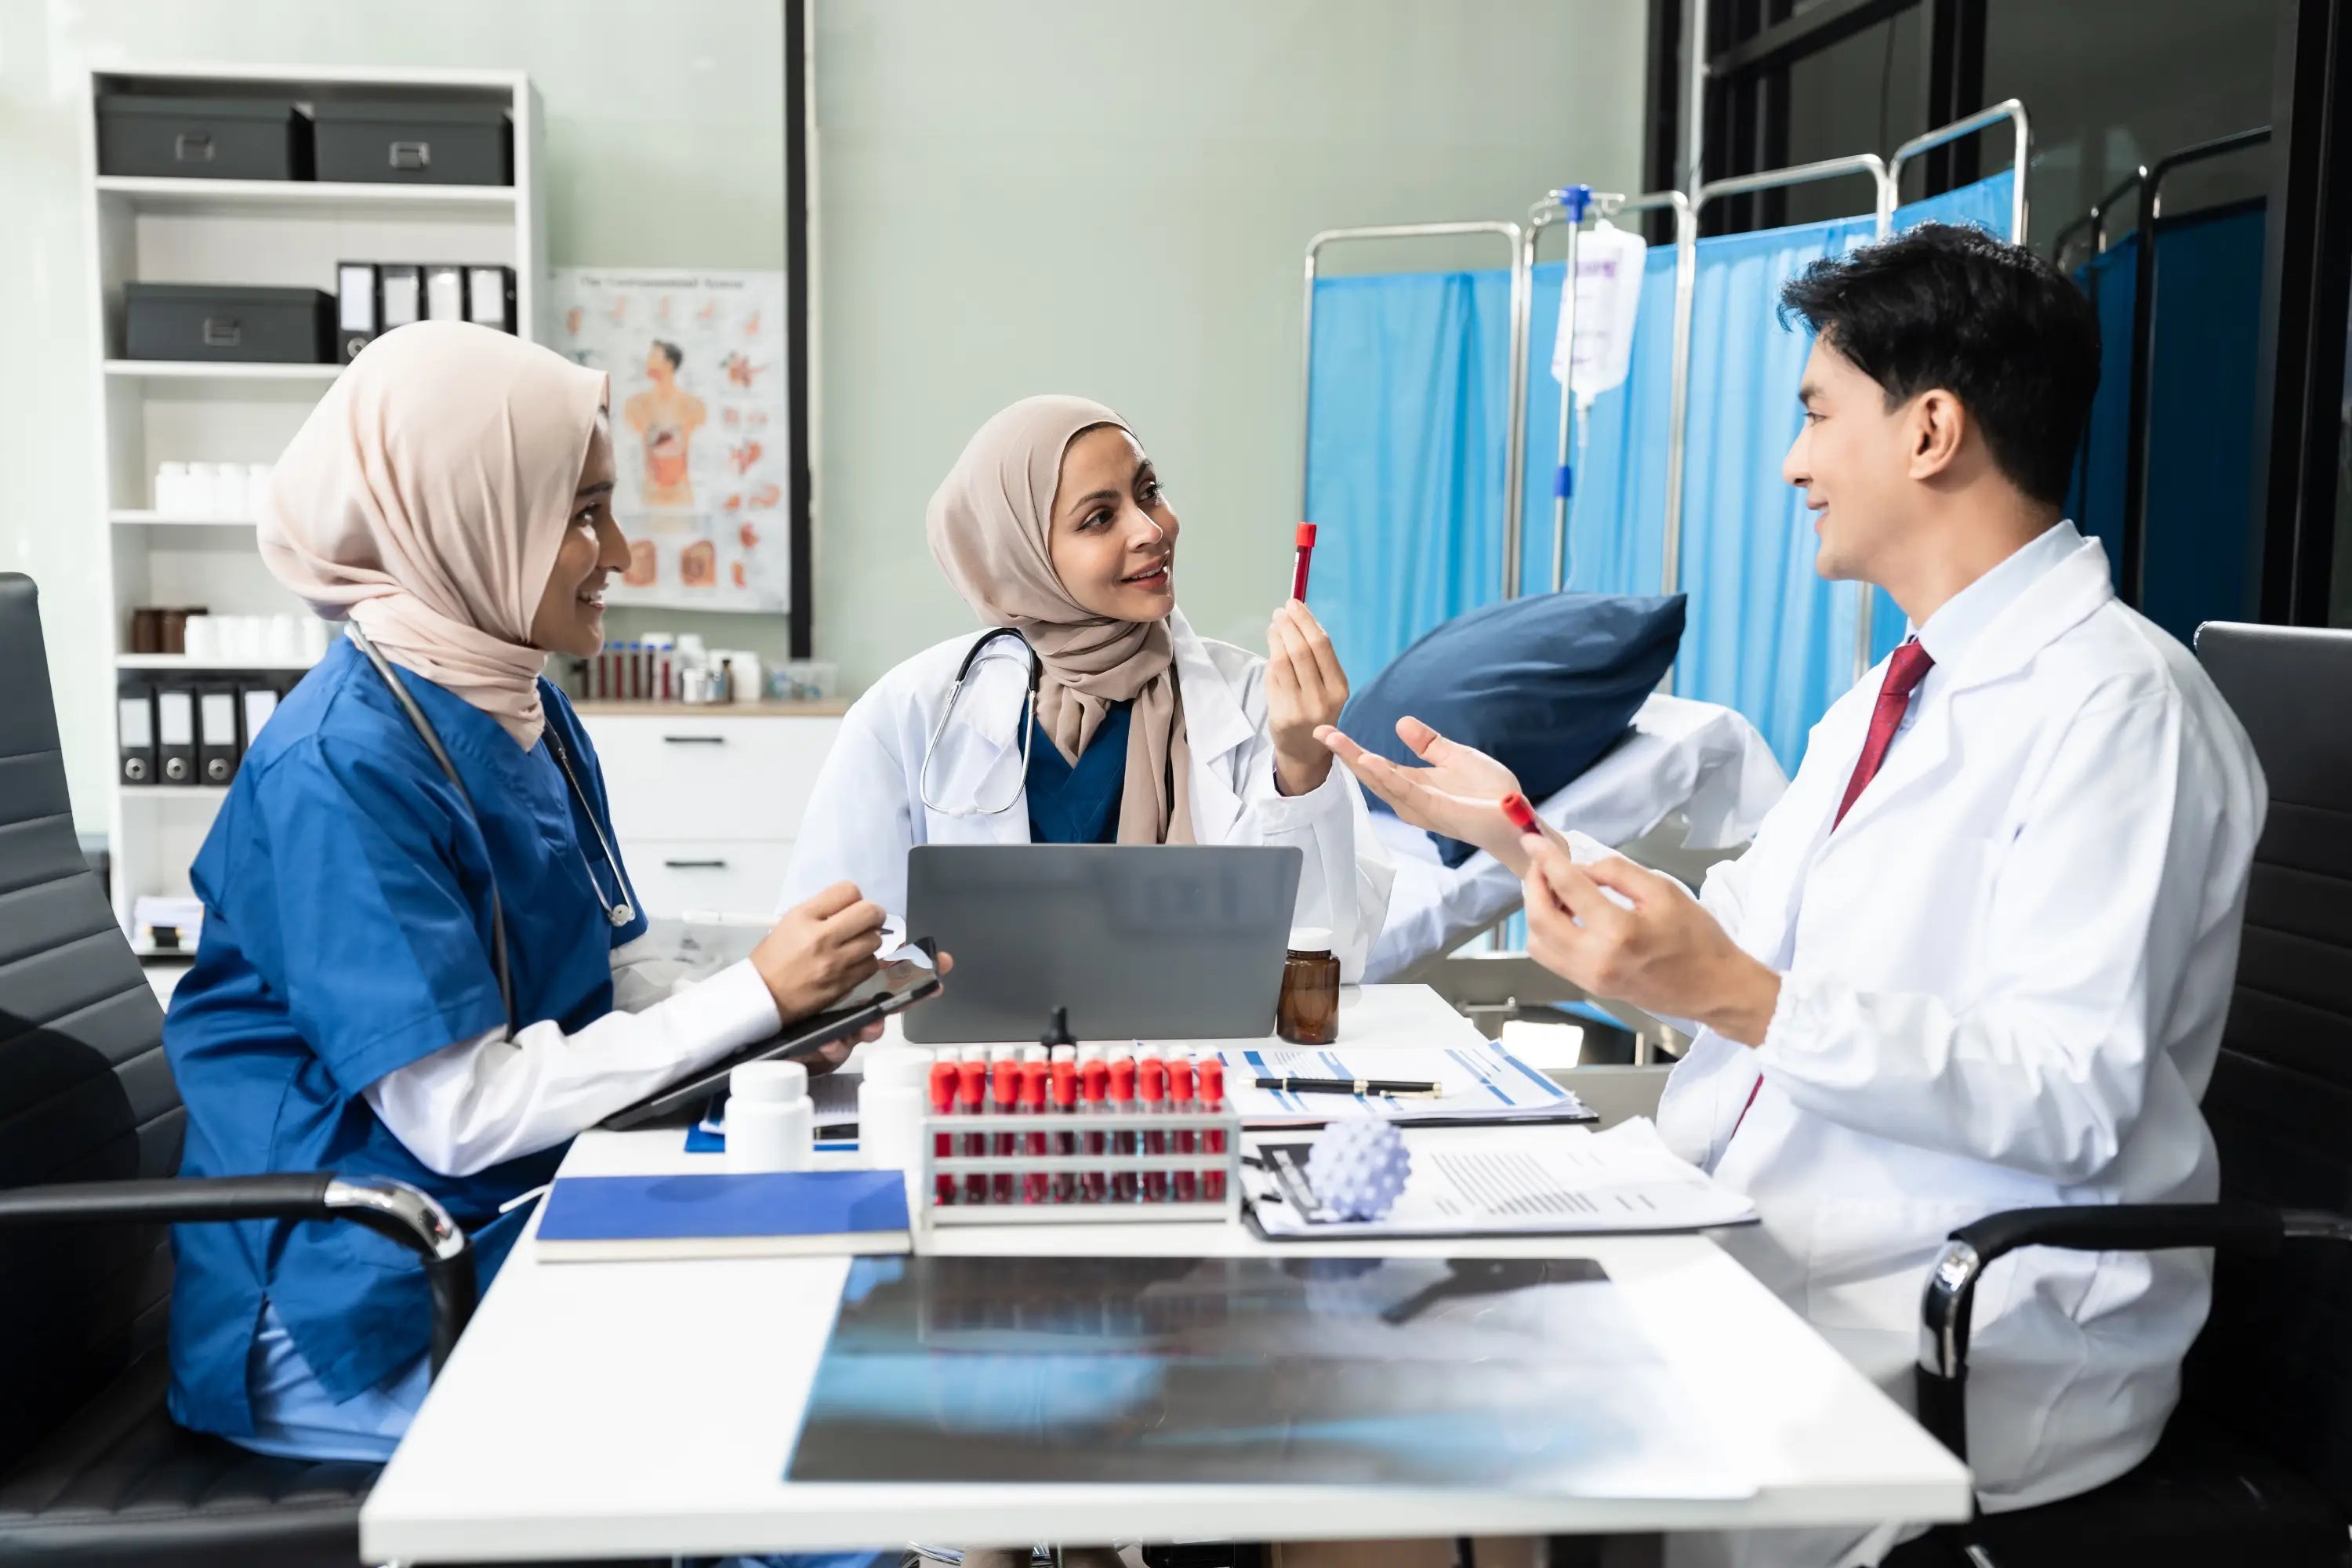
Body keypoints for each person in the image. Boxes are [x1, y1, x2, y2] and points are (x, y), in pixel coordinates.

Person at [1320, 225, 2266, 1566]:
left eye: (1820, 415)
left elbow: (2071, 1091)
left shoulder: (2120, 709)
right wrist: (1519, 836)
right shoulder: (1894, 693)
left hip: (1966, 1325)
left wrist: (1739, 999)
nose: (1794, 462)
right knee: (1374, 1371)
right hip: (1771, 1238)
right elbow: (1740, 945)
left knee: (1426, 1454)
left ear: (1930, 430)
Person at [163, 322, 915, 1472]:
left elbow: (599, 967)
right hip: (352, 1292)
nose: (620, 549)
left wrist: (785, 1009)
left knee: (836, 1324)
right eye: (583, 514)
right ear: (465, 519)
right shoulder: (338, 765)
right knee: (781, 1429)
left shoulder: (524, 705)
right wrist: (750, 1001)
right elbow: (458, 1114)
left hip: (495, 1213)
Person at [781, 394, 1392, 977]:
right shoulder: (909, 714)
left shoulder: (1257, 701)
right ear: (1020, 555)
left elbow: (1333, 953)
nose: (1151, 529)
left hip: (1188, 1063)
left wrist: (1301, 768)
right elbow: (833, 948)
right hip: (979, 1064)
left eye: (1148, 491)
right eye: (1099, 518)